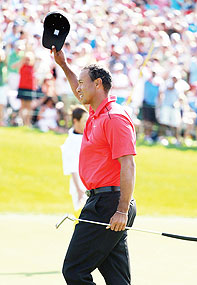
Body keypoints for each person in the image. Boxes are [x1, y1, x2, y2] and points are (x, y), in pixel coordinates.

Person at [52, 46, 137, 285]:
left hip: (108, 205)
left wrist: (121, 210)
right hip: (104, 202)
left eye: (82, 83)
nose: (78, 88)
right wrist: (63, 65)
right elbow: (77, 90)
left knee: (74, 270)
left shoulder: (114, 118)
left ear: (98, 84)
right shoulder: (97, 113)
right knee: (117, 279)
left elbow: (128, 165)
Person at [61, 106, 88, 217]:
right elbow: (72, 168)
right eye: (84, 121)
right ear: (75, 121)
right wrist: (80, 191)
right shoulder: (70, 142)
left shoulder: (89, 136)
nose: (87, 123)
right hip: (80, 187)